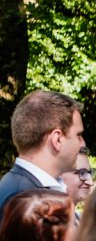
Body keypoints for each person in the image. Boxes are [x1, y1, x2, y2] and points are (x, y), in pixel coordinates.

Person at [0, 90, 85, 223]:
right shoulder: (26, 200)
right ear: (57, 140)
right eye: (78, 135)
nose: (82, 144)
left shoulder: (26, 188)